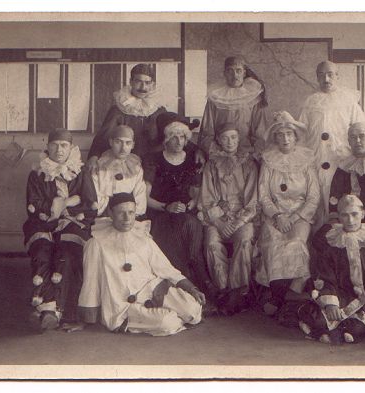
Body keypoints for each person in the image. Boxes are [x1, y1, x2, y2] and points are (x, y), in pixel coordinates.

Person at [78, 193, 205, 336]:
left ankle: (164, 311)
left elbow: (166, 268)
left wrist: (191, 289)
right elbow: (91, 281)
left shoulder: (143, 237)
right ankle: (156, 316)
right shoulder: (96, 242)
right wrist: (86, 318)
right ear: (110, 214)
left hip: (154, 290)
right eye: (121, 213)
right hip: (125, 305)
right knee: (168, 322)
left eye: (131, 212)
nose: (127, 219)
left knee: (193, 311)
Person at [22, 130, 97, 331]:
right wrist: (58, 203)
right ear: (48, 147)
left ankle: (62, 310)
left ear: (71, 148)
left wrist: (69, 206)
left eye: (64, 145)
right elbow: (33, 204)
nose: (59, 149)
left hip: (74, 222)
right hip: (44, 223)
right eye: (55, 145)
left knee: (67, 252)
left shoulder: (81, 172)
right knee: (42, 250)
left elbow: (91, 203)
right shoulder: (37, 173)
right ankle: (45, 308)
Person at [298, 195, 365, 345]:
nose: (350, 220)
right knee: (320, 319)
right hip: (341, 295)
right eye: (345, 215)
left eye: (354, 214)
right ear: (339, 217)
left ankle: (335, 332)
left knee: (359, 327)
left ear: (363, 214)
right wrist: (331, 302)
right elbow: (325, 274)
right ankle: (334, 331)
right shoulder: (332, 240)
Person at [255, 111, 320, 316]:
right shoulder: (268, 161)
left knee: (295, 244)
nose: (285, 139)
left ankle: (287, 296)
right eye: (280, 135)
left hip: (300, 215)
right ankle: (279, 296)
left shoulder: (306, 160)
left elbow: (313, 197)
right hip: (274, 215)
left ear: (295, 136)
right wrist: (277, 216)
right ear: (275, 138)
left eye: (289, 134)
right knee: (274, 244)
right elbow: (263, 194)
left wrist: (295, 217)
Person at [142, 112, 212, 298]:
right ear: (166, 140)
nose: (179, 141)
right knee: (179, 226)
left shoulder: (192, 159)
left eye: (182, 137)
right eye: (174, 137)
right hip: (160, 212)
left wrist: (190, 204)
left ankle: (199, 282)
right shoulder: (153, 160)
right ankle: (180, 284)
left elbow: (197, 191)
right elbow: (144, 197)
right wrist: (166, 207)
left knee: (191, 224)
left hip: (186, 211)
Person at [299, 60, 365, 229]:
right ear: (317, 78)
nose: (326, 79)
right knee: (316, 200)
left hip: (341, 161)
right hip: (316, 157)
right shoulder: (310, 102)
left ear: (337, 76)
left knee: (337, 198)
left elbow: (362, 129)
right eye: (321, 75)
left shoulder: (349, 101)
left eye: (330, 75)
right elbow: (301, 131)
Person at [199, 122, 258, 315]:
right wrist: (217, 221)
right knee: (211, 243)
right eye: (225, 138)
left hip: (242, 218)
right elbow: (206, 198)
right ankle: (224, 291)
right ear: (218, 140)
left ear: (239, 139)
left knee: (245, 239)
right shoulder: (211, 164)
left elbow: (252, 201)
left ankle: (239, 291)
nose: (229, 142)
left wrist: (237, 223)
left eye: (233, 137)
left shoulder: (248, 163)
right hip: (217, 217)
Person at [85, 64, 167, 172]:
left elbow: (172, 134)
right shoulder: (119, 109)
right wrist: (94, 156)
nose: (143, 87)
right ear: (131, 82)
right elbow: (104, 135)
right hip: (124, 164)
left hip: (153, 165)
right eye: (138, 82)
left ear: (152, 85)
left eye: (147, 83)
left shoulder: (159, 110)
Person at [198, 56, 270, 160]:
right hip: (219, 153)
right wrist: (217, 152)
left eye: (238, 71)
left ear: (244, 73)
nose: (235, 75)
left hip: (247, 154)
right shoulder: (215, 98)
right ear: (225, 74)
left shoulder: (254, 98)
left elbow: (260, 132)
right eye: (230, 71)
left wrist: (252, 153)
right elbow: (207, 131)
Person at [91, 125, 147, 219]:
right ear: (111, 142)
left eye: (128, 143)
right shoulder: (100, 166)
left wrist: (129, 215)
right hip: (106, 213)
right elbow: (96, 195)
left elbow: (140, 196)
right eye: (118, 142)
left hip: (129, 216)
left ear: (133, 145)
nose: (123, 148)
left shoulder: (136, 167)